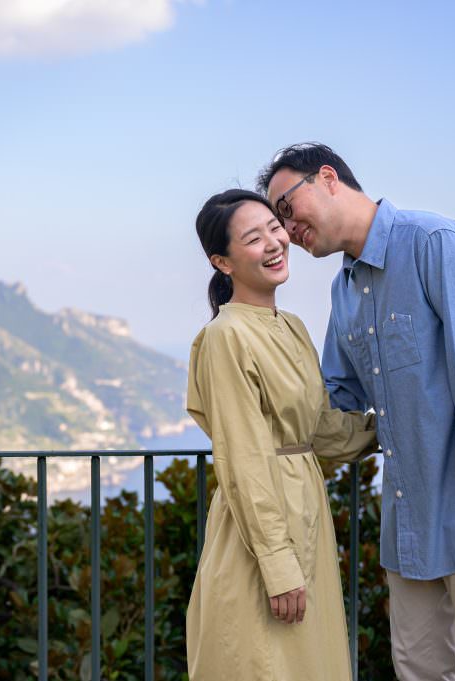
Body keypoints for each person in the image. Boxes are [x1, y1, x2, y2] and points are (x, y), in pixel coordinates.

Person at [257, 143, 455, 681]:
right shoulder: (345, 290)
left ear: (327, 178)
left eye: (287, 209)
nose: (285, 229)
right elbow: (336, 398)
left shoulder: (433, 241)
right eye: (275, 221)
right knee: (417, 668)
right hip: (409, 506)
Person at [185, 188, 379, 681]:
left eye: (276, 228)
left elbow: (322, 431)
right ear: (222, 261)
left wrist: (399, 427)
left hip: (305, 516)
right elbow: (244, 457)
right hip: (261, 532)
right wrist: (277, 564)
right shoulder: (225, 336)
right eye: (254, 238)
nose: (274, 242)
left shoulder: (290, 326)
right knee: (262, 663)